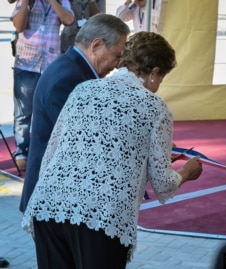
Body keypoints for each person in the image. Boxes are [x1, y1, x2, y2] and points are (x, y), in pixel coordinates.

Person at [22, 31, 203, 269]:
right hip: (100, 217)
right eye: (161, 78)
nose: (158, 85)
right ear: (154, 72)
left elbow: (52, 153)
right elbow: (163, 183)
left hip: (49, 205)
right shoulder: (154, 107)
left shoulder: (83, 90)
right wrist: (187, 171)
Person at [19, 13, 130, 213]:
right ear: (96, 45)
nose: (118, 64)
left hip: (61, 197)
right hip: (53, 200)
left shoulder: (73, 69)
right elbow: (84, 140)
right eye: (117, 55)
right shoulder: (69, 77)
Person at [10, 0, 75, 171]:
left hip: (51, 64)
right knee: (23, 112)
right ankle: (22, 150)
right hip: (26, 63)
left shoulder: (62, 1)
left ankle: (48, 150)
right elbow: (18, 26)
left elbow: (69, 20)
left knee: (51, 110)